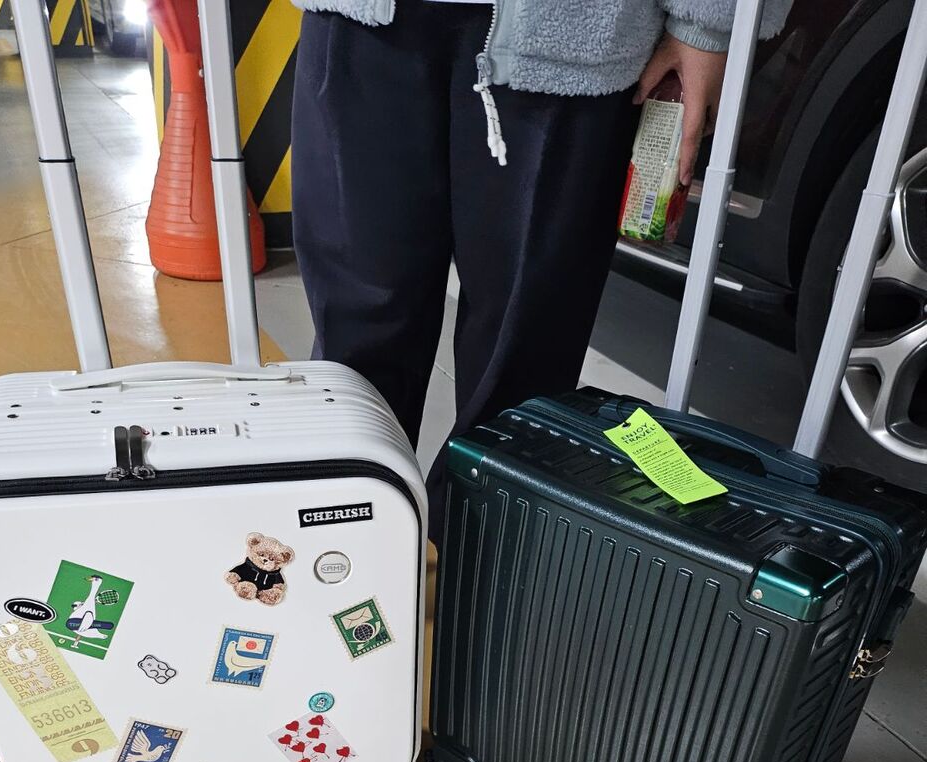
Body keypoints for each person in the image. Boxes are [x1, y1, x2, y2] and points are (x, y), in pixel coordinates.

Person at [289, 0, 791, 544]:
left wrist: (710, 24)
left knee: (524, 357)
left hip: (576, 33)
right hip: (359, 19)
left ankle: (483, 560)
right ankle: (343, 553)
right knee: (356, 338)